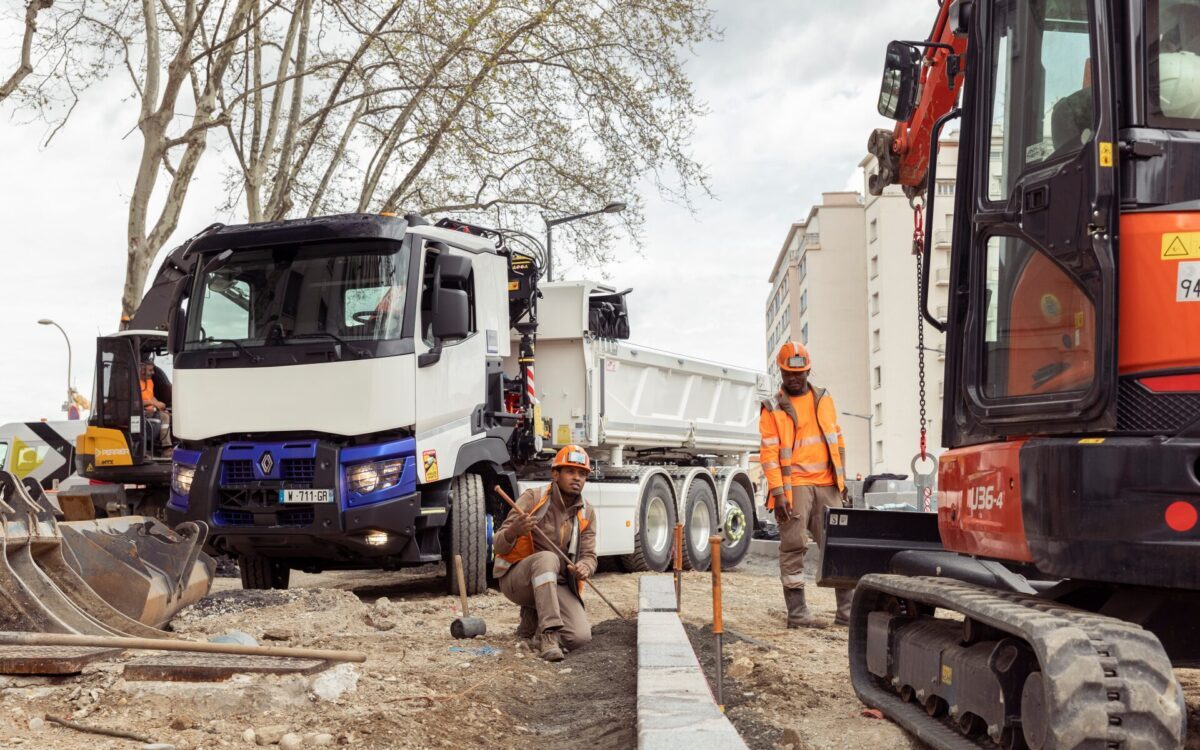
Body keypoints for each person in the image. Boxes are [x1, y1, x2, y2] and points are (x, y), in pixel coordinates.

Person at [760, 342, 854, 628]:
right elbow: (769, 455)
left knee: (840, 546)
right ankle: (798, 615)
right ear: (781, 371)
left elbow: (837, 441)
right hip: (795, 487)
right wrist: (778, 493)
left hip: (828, 486)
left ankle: (847, 614)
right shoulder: (772, 408)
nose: (794, 378)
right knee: (793, 547)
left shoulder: (825, 399)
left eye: (799, 373)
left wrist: (842, 481)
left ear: (808, 370)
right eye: (788, 373)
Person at [493, 445, 597, 662]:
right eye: (570, 472)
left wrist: (586, 567)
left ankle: (534, 617)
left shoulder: (587, 511)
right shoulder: (533, 499)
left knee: (580, 638)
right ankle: (547, 636)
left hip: (556, 583)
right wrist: (514, 531)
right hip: (517, 581)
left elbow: (589, 555)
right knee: (547, 559)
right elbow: (499, 546)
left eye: (582, 474)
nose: (577, 478)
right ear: (555, 474)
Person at [138, 357, 171, 450]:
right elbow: (136, 403)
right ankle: (166, 448)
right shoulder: (134, 382)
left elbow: (151, 397)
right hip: (141, 413)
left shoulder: (150, 382)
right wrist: (154, 403)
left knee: (167, 414)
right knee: (165, 417)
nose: (153, 373)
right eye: (150, 370)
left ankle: (165, 446)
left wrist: (160, 404)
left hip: (151, 410)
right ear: (142, 370)